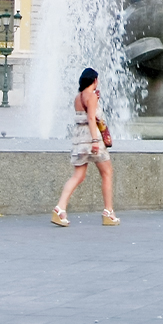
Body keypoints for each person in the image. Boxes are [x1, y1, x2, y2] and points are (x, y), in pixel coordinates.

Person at [51, 67, 117, 227]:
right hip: (91, 138)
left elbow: (85, 113)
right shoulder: (92, 96)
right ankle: (108, 212)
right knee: (107, 172)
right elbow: (91, 118)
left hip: (79, 139)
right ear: (94, 80)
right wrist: (95, 140)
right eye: (97, 79)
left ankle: (60, 208)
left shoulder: (78, 97)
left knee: (78, 175)